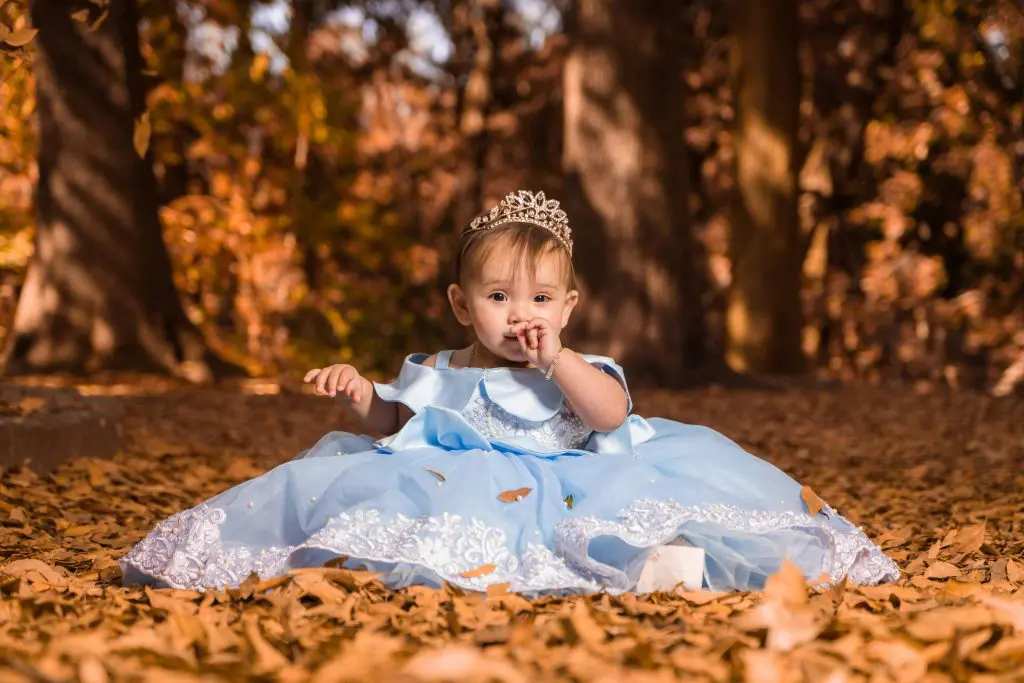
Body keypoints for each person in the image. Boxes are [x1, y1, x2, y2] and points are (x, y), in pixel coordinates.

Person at [120, 190, 899, 594]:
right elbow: (396, 420)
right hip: (461, 488)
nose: (519, 315)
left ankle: (668, 564)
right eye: (498, 298)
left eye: (539, 299)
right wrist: (359, 391)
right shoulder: (442, 370)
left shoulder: (576, 364)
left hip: (578, 481)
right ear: (463, 306)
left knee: (629, 522)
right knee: (381, 495)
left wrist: (559, 360)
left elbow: (611, 417)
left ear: (567, 306)